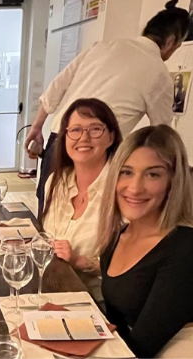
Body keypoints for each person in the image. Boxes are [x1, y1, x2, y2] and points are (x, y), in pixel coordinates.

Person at [25, 0, 190, 218]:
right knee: (86, 217)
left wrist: (36, 128)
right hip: (99, 152)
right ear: (171, 41)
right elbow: (160, 133)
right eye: (177, 47)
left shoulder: (102, 46)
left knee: (47, 211)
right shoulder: (159, 72)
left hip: (62, 138)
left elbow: (57, 87)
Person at [98, 125, 193, 358]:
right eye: (126, 172)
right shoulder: (117, 238)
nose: (135, 187)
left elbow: (142, 347)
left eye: (153, 174)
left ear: (173, 182)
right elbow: (119, 327)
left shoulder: (191, 250)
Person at [42, 98, 122, 302]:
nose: (83, 138)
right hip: (51, 289)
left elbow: (132, 270)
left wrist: (78, 261)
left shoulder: (123, 190)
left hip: (98, 303)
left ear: (111, 137)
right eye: (75, 130)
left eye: (95, 129)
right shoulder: (56, 181)